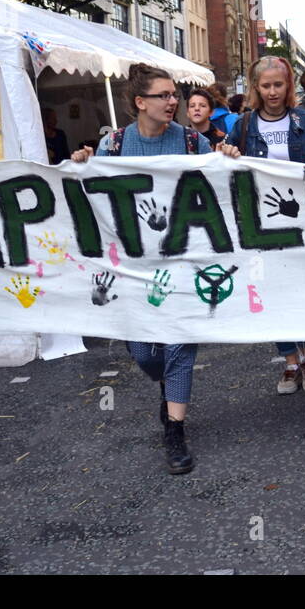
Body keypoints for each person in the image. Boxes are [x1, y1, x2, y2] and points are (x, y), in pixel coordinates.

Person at [71, 63, 234, 474]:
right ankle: (167, 385)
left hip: (182, 263)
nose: (172, 101)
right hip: (133, 268)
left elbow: (224, 180)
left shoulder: (193, 142)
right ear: (140, 102)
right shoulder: (114, 144)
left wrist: (228, 157)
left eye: (174, 95)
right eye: (163, 95)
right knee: (145, 354)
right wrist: (82, 163)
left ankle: (175, 430)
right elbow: (87, 190)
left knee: (179, 343)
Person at [225, 56, 305, 396]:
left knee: (303, 287)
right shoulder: (243, 125)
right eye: (265, 86)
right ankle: (290, 360)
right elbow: (224, 166)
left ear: (289, 86)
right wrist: (226, 155)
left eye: (278, 85)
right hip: (262, 223)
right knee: (273, 289)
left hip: (302, 220)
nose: (272, 92)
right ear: (255, 88)